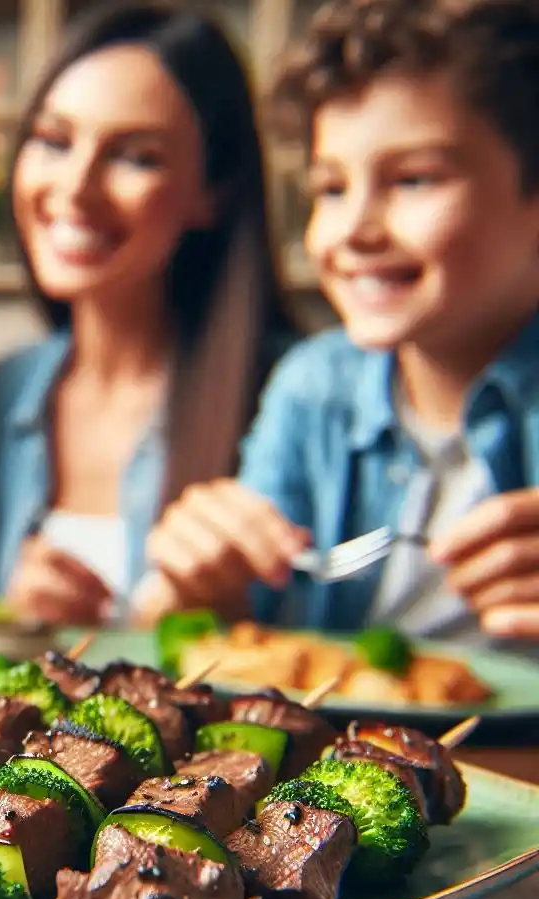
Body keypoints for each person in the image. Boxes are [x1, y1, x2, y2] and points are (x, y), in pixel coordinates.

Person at [141, 0, 539, 645]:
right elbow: (234, 627)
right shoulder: (316, 385)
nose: (352, 230)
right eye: (330, 189)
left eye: (413, 180)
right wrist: (190, 585)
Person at [0, 0, 298, 626]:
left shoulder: (295, 398)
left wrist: (225, 609)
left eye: (136, 157)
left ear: (213, 194)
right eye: (54, 141)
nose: (76, 188)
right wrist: (9, 620)